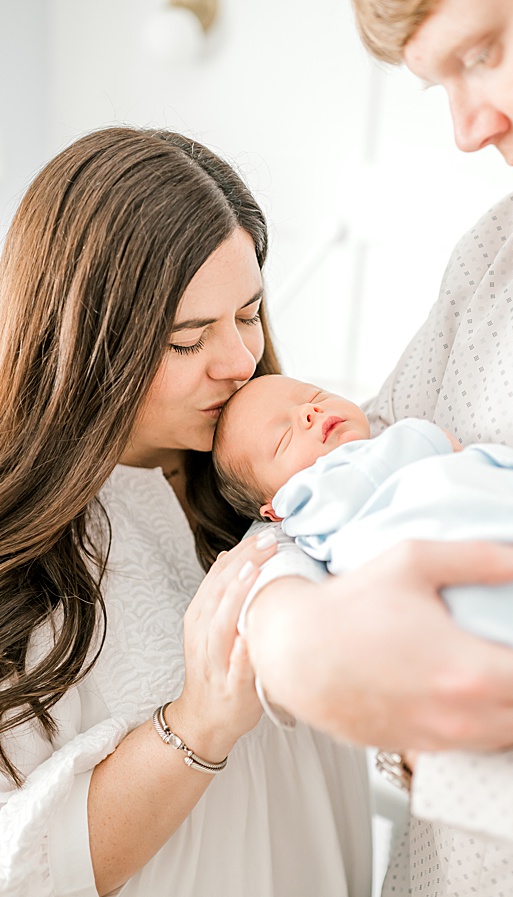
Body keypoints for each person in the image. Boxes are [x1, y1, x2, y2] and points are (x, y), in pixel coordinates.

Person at [238, 0, 513, 892]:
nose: (469, 132)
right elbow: (311, 486)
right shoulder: (493, 259)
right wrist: (297, 639)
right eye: (440, 85)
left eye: (481, 52)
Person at [0, 128, 370, 895]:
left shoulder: (299, 477)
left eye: (250, 312)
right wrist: (198, 721)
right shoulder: (28, 549)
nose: (239, 361)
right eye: (187, 338)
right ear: (84, 345)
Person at [211, 374, 513, 666]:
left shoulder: (383, 442)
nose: (308, 413)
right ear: (274, 510)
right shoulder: (308, 498)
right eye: (283, 436)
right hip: (440, 568)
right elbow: (416, 452)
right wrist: (427, 438)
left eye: (314, 397)